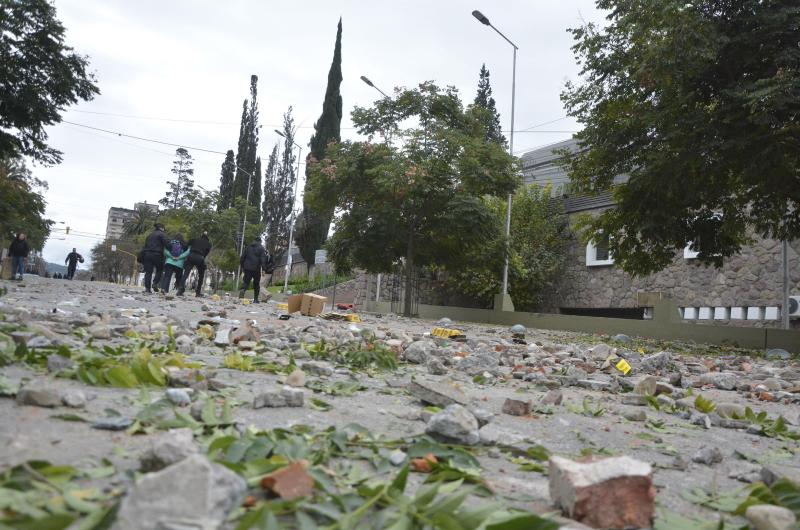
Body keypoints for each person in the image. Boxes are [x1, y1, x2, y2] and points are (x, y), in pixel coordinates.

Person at [177, 231, 211, 297]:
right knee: (201, 275)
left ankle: (180, 290)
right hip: (200, 258)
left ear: (201, 235)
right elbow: (206, 253)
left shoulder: (194, 239)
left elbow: (186, 245)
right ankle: (198, 292)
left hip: (191, 256)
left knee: (186, 273)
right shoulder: (208, 244)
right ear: (207, 237)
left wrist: (187, 251)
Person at [239, 237, 271, 303]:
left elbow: (242, 258)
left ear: (254, 240)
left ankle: (243, 290)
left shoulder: (248, 247)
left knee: (246, 281)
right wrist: (264, 269)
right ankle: (255, 299)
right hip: (256, 269)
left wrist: (243, 266)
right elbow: (263, 259)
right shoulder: (261, 248)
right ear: (260, 241)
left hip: (247, 268)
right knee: (256, 284)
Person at [140, 223, 168, 293]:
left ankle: (147, 289)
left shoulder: (149, 235)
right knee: (159, 269)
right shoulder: (162, 234)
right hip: (157, 254)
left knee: (148, 272)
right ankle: (155, 283)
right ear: (161, 228)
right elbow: (166, 243)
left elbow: (145, 245)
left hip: (147, 254)